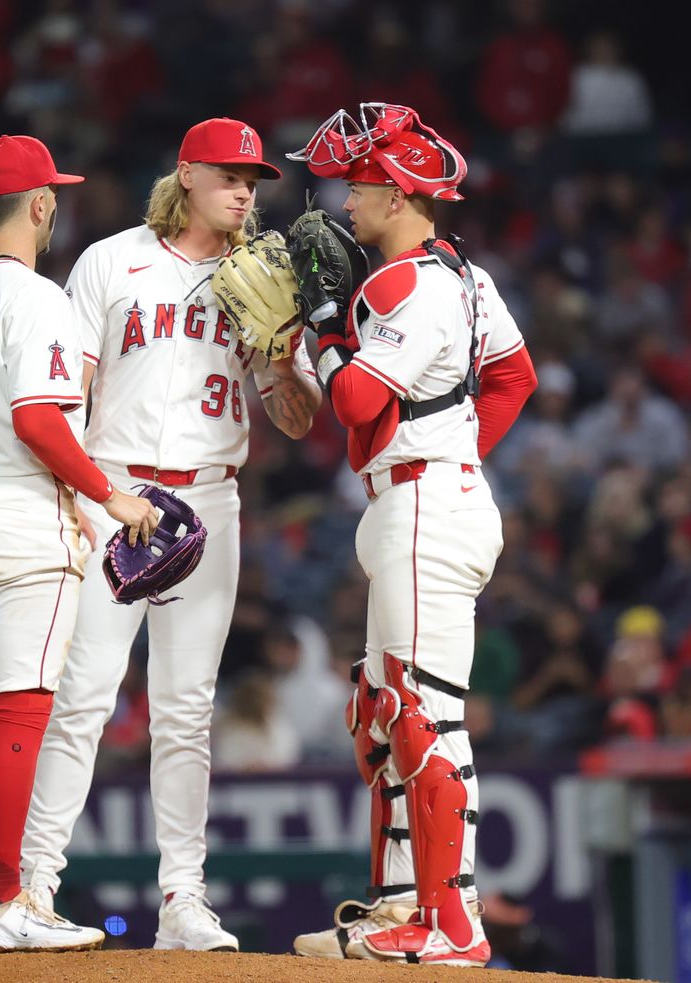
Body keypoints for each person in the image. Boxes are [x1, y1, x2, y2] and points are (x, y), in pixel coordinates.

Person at [19, 117, 321, 951]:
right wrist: (82, 498)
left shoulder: (258, 272)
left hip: (211, 500)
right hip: (116, 492)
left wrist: (288, 348)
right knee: (82, 697)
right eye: (228, 174)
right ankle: (35, 883)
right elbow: (68, 393)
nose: (243, 190)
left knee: (186, 712)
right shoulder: (112, 260)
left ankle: (184, 899)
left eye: (253, 179)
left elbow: (294, 420)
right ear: (186, 174)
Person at [0, 134, 158, 955]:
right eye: (55, 197)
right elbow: (40, 419)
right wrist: (106, 493)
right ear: (41, 204)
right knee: (22, 707)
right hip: (17, 514)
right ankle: (5, 900)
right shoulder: (40, 298)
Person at [287, 104, 537, 966]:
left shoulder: (402, 283)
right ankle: (403, 905)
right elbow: (514, 374)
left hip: (426, 504)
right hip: (426, 495)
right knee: (381, 714)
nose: (345, 202)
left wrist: (323, 327)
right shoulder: (465, 275)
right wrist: (459, 447)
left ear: (397, 195)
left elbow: (354, 401)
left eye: (358, 185)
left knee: (422, 717)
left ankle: (450, 925)